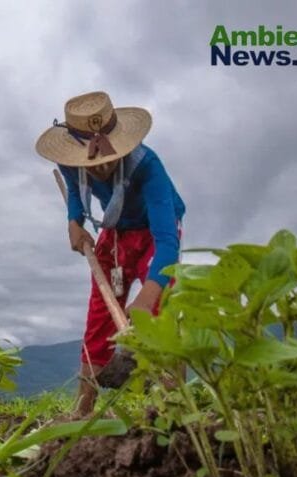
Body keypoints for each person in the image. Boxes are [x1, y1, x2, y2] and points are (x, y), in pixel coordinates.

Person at [35, 91, 185, 416]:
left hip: (154, 232)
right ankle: (83, 407)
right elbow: (76, 189)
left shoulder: (148, 167)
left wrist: (147, 297)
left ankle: (177, 406)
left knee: (162, 308)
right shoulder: (70, 161)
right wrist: (74, 221)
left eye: (107, 159)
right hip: (116, 231)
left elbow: (168, 243)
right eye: (92, 162)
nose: (100, 168)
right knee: (100, 312)